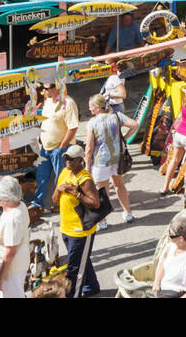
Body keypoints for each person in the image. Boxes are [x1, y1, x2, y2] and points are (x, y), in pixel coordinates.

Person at [54, 144, 101, 298]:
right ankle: (92, 287)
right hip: (66, 228)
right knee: (81, 260)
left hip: (81, 231)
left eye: (72, 159)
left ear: (81, 160)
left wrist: (77, 193)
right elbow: (55, 200)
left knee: (74, 269)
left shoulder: (85, 179)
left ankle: (73, 295)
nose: (68, 161)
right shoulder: (64, 173)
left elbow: (95, 203)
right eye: (66, 158)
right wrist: (58, 189)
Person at [84, 93, 138, 226]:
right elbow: (135, 125)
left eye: (91, 106)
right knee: (119, 185)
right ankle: (128, 213)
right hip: (117, 158)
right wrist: (124, 138)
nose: (89, 109)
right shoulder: (116, 116)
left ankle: (103, 221)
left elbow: (89, 148)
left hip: (101, 161)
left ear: (97, 107)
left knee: (103, 190)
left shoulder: (92, 123)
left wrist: (87, 164)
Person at [34, 80, 78, 208]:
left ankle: (61, 204)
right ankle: (37, 204)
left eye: (48, 88)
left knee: (60, 178)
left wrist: (62, 147)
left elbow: (73, 127)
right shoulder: (47, 101)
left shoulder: (68, 103)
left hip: (60, 147)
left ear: (56, 88)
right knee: (41, 177)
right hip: (46, 147)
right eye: (44, 89)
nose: (45, 91)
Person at [0, 176, 30, 298]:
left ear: (7, 198)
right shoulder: (20, 205)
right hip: (17, 265)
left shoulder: (12, 219)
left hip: (11, 270)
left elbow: (10, 252)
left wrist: (0, 279)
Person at [153, 213, 186, 298]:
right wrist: (157, 282)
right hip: (164, 292)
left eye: (171, 235)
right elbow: (163, 264)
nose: (168, 236)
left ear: (181, 238)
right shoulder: (172, 245)